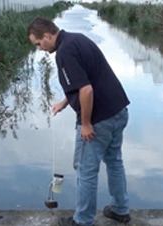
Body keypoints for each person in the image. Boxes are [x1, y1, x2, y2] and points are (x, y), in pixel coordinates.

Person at [27, 17, 131, 226]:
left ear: (47, 36)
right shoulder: (78, 39)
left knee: (85, 171)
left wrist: (85, 124)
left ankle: (82, 221)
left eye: (38, 43)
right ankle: (121, 210)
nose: (39, 48)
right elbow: (86, 79)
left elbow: (86, 89)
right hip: (118, 111)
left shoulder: (64, 53)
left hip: (98, 119)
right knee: (114, 162)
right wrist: (65, 102)